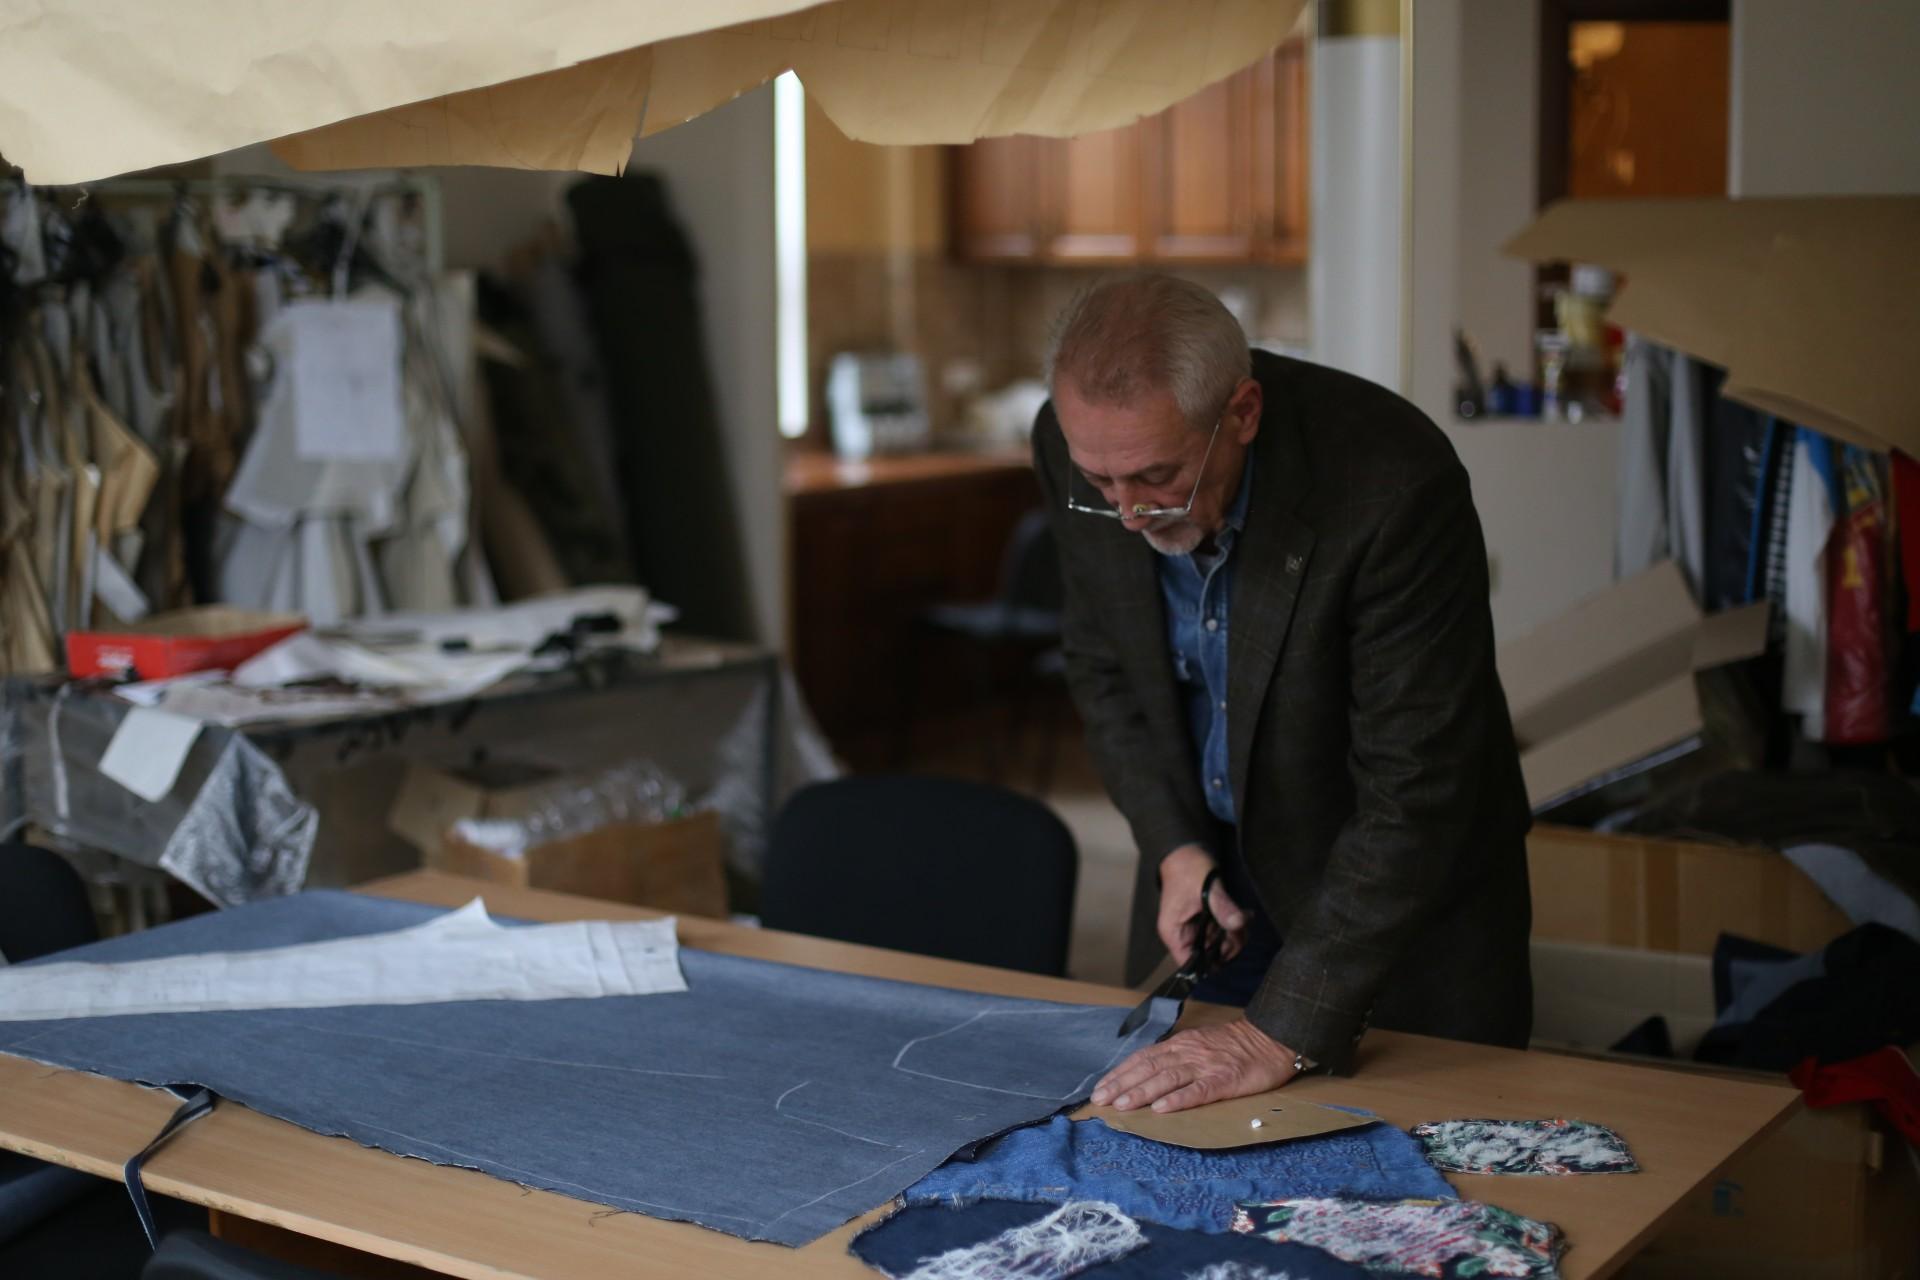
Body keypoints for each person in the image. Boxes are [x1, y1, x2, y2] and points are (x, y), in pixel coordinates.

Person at [1032, 275, 1532, 1114]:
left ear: (1243, 413)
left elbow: (1416, 787)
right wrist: (1174, 846)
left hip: (1389, 901)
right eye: (1101, 482)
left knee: (1408, 1165)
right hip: (1215, 888)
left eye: (1158, 476)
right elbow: (1102, 664)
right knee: (1175, 1141)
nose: (1128, 514)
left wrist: (1279, 1031)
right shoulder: (1077, 442)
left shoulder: (1392, 482)